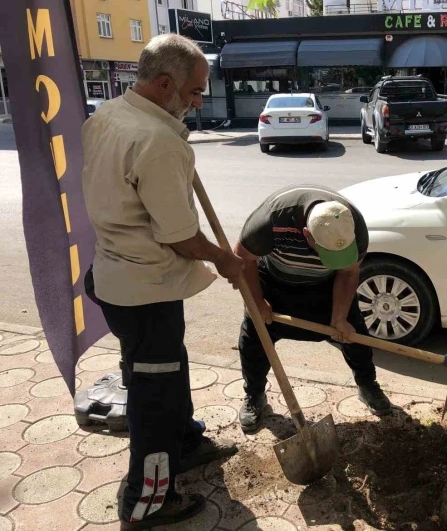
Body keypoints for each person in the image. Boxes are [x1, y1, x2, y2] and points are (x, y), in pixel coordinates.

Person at [81, 34, 244, 530]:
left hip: (119, 280)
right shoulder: (155, 141)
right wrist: (225, 261)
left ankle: (184, 443)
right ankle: (148, 499)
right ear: (165, 83)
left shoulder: (107, 115)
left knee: (165, 372)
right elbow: (179, 237)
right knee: (152, 393)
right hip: (144, 291)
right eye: (195, 93)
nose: (198, 104)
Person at [234, 186, 392, 432]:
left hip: (326, 285)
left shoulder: (354, 227)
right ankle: (255, 396)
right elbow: (243, 258)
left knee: (355, 335)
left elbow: (349, 272)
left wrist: (339, 317)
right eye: (326, 252)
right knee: (254, 337)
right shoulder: (271, 220)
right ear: (306, 234)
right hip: (276, 281)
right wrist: (256, 302)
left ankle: (367, 385)